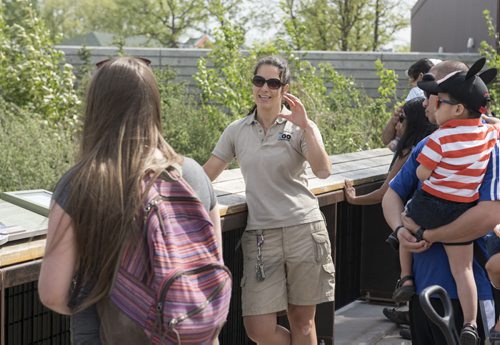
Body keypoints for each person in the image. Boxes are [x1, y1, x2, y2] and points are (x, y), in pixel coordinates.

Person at [37, 57, 223, 344]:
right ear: (154, 105)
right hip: (186, 334)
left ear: (97, 108)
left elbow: (52, 294)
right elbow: (212, 267)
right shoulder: (194, 174)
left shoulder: (81, 183)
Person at [203, 55, 334, 345]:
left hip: (303, 229)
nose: (265, 88)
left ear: (284, 88)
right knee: (257, 328)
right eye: (259, 81)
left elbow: (323, 170)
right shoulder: (237, 130)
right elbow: (206, 175)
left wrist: (308, 127)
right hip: (261, 236)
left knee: (302, 322)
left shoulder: (300, 127)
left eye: (273, 82)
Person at [382, 59, 497, 345]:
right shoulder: (432, 142)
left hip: (471, 293)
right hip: (425, 290)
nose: (425, 102)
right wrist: (400, 230)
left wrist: (426, 234)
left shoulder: (491, 146)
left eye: (432, 94)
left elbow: (489, 214)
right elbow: (393, 194)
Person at [344, 97, 436, 205]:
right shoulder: (429, 148)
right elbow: (386, 139)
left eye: (401, 119)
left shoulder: (408, 153)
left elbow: (383, 193)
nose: (397, 124)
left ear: (414, 123)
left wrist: (353, 199)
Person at [382, 58, 436, 152]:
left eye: (412, 77)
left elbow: (406, 112)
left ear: (420, 76)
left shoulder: (416, 92)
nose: (410, 82)